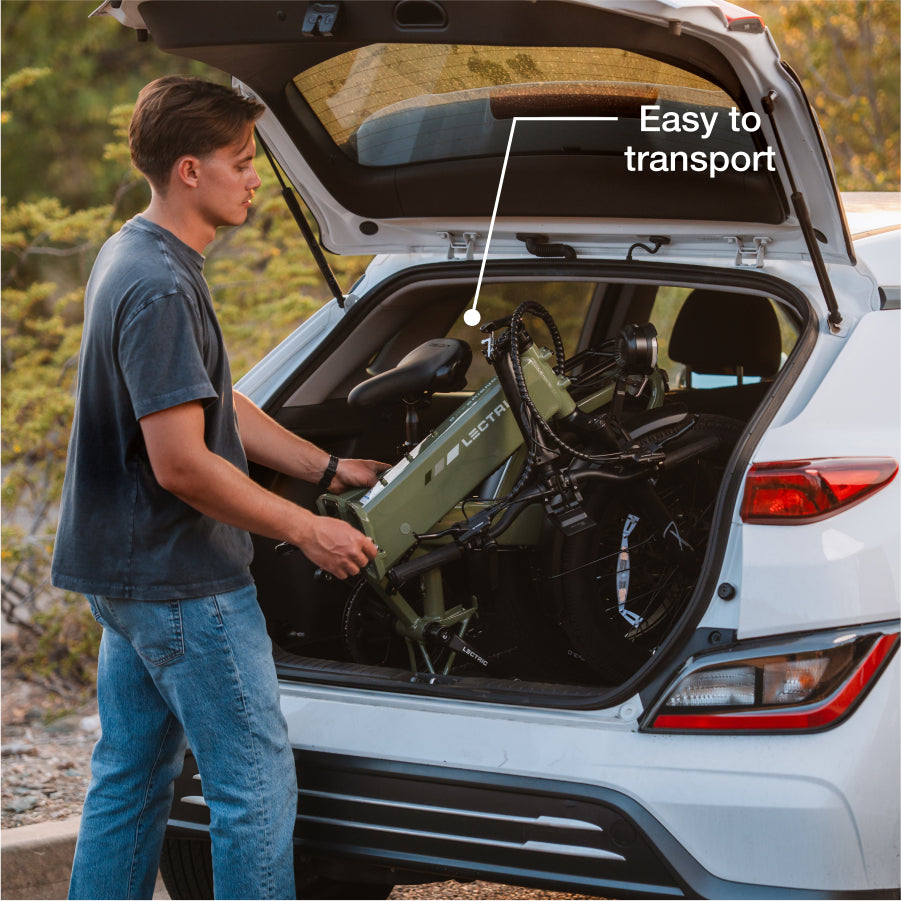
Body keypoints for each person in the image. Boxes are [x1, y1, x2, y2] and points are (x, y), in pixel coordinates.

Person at [50, 76, 385, 900]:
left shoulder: (132, 252)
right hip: (181, 583)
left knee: (130, 778)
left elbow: (206, 398)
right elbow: (182, 463)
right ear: (190, 170)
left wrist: (327, 469)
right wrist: (305, 529)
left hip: (125, 577)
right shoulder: (162, 285)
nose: (254, 177)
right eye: (241, 162)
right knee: (254, 788)